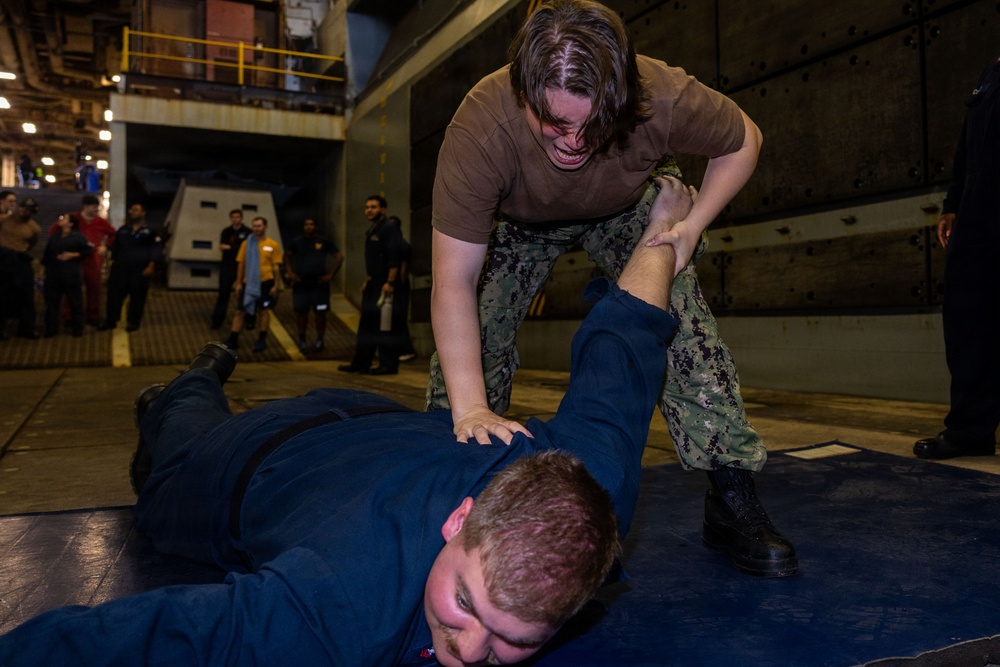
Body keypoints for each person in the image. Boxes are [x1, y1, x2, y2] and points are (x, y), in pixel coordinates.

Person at [0, 177, 692, 667]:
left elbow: (624, 344)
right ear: (458, 520)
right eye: (466, 603)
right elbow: (159, 638)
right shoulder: (343, 604)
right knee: (172, 446)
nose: (472, 650)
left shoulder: (589, 495)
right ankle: (194, 376)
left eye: (520, 640)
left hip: (375, 420)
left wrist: (667, 223)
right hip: (251, 456)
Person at [425, 0, 796, 577]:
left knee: (683, 323)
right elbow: (454, 279)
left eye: (592, 124)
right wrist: (471, 406)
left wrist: (689, 229)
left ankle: (730, 493)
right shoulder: (482, 127)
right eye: (554, 124)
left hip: (625, 209)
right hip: (518, 224)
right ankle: (446, 482)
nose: (574, 142)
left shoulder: (659, 94)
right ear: (524, 93)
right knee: (475, 342)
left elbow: (743, 139)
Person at [914, 56, 1000, 461]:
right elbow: (969, 143)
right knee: (967, 321)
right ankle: (971, 430)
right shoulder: (991, 72)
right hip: (979, 212)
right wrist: (953, 203)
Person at [338, 195, 404, 375]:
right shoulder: (373, 230)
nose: (369, 210)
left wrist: (390, 282)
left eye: (373, 207)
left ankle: (388, 365)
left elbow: (394, 258)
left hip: (385, 285)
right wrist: (368, 279)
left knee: (385, 326)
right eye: (366, 207)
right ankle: (361, 363)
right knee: (366, 325)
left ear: (383, 209)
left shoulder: (389, 228)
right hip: (374, 283)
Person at [98, 203, 162, 333]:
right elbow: (115, 246)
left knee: (137, 297)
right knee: (114, 296)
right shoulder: (123, 230)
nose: (132, 212)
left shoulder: (150, 231)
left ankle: (133, 322)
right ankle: (111, 321)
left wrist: (151, 265)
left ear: (143, 213)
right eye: (131, 210)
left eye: (136, 210)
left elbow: (156, 249)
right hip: (120, 268)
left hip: (140, 270)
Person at [224, 216, 283, 353]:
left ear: (265, 227)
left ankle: (261, 339)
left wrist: (276, 285)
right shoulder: (247, 244)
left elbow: (276, 267)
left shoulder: (273, 245)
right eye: (254, 226)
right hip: (248, 283)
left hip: (266, 282)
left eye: (259, 226)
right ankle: (233, 339)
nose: (256, 228)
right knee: (240, 311)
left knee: (264, 311)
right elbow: (241, 264)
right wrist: (238, 283)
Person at [284, 217, 343, 353]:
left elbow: (339, 256)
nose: (309, 226)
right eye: (306, 224)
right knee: (301, 313)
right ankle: (302, 340)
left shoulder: (323, 242)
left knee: (320, 313)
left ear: (316, 226)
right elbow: (287, 255)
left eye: (311, 224)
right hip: (301, 283)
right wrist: (290, 272)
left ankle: (320, 340)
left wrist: (331, 275)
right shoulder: (297, 242)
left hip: (319, 284)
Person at [66, 194, 115, 326]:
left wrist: (106, 246)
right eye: (94, 207)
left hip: (93, 259)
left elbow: (113, 234)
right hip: (74, 258)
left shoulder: (100, 222)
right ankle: (69, 315)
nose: (96, 210)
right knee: (71, 287)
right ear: (86, 207)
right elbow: (55, 230)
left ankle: (92, 315)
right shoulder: (73, 218)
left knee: (94, 287)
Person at [41, 214, 93, 337]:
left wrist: (73, 255)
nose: (61, 220)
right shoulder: (55, 236)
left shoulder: (78, 237)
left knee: (75, 302)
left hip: (71, 274)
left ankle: (78, 328)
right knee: (52, 303)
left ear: (70, 224)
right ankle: (51, 328)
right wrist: (41, 271)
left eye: (64, 219)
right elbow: (47, 255)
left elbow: (87, 251)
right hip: (54, 274)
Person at [0, 197, 42, 339]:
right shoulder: (4, 219)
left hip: (19, 260)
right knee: (2, 295)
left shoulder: (34, 228)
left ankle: (27, 328)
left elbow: (31, 244)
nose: (24, 211)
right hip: (3, 259)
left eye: (28, 210)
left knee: (26, 296)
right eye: (23, 208)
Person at [211, 208, 250, 329]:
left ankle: (247, 320)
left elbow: (246, 249)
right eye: (233, 217)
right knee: (223, 294)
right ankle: (217, 320)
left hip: (243, 267)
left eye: (238, 217)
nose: (235, 219)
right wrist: (237, 247)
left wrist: (230, 247)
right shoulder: (226, 232)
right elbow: (222, 247)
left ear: (241, 218)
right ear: (231, 218)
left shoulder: (248, 232)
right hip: (227, 266)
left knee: (245, 295)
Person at [388, 215, 418, 362]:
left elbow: (403, 272)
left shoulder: (399, 245)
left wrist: (396, 285)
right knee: (396, 319)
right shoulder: (401, 243)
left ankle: (407, 349)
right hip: (400, 287)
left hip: (399, 288)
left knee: (398, 319)